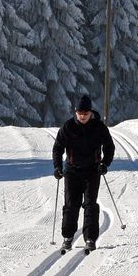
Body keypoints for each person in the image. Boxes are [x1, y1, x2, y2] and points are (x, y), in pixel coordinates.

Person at [52, 94, 115, 252]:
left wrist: (104, 163)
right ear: (75, 112)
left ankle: (90, 238)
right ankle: (67, 236)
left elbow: (109, 146)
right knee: (71, 205)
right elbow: (58, 148)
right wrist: (57, 167)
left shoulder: (99, 127)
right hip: (72, 171)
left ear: (90, 113)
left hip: (92, 171)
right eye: (80, 114)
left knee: (90, 205)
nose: (83, 117)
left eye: (85, 114)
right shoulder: (68, 127)